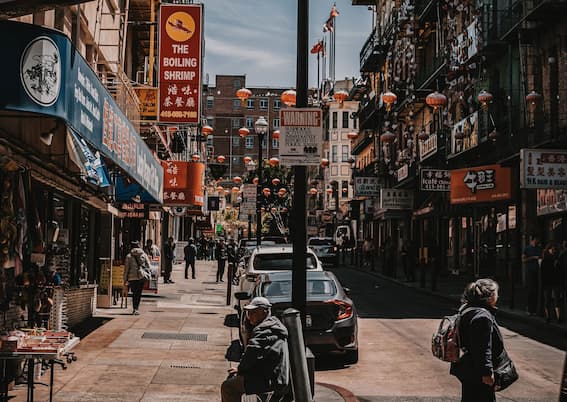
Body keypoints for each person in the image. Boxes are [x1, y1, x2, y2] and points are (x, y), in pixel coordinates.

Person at [221, 297, 290, 402]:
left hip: (271, 380)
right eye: (249, 313)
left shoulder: (265, 330)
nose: (249, 317)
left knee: (228, 387)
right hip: (273, 376)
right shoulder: (273, 325)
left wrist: (240, 371)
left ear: (264, 312)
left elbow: (251, 355)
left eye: (253, 312)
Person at [450, 279, 508, 402]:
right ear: (490, 296)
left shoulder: (467, 309)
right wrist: (486, 372)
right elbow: (482, 347)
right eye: (496, 293)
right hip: (476, 371)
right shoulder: (482, 317)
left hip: (468, 367)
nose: (498, 296)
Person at [123, 241, 151, 315]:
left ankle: (134, 308)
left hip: (132, 278)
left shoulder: (128, 256)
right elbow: (149, 266)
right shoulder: (144, 255)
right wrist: (147, 273)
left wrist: (125, 279)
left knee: (134, 293)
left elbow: (126, 269)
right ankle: (136, 309)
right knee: (138, 293)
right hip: (141, 277)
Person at [540, 242, 561, 323]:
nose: (553, 251)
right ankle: (548, 317)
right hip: (547, 282)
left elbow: (560, 271)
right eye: (552, 249)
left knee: (557, 299)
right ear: (548, 250)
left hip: (555, 282)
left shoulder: (557, 259)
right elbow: (543, 273)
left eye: (554, 249)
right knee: (547, 299)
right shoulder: (545, 260)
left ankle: (558, 317)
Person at [522, 235, 542, 315]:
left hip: (538, 271)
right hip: (530, 271)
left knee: (537, 290)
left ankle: (536, 309)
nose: (537, 242)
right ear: (533, 240)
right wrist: (533, 257)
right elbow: (523, 260)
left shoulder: (539, 248)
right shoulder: (527, 249)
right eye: (537, 240)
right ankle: (530, 309)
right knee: (531, 290)